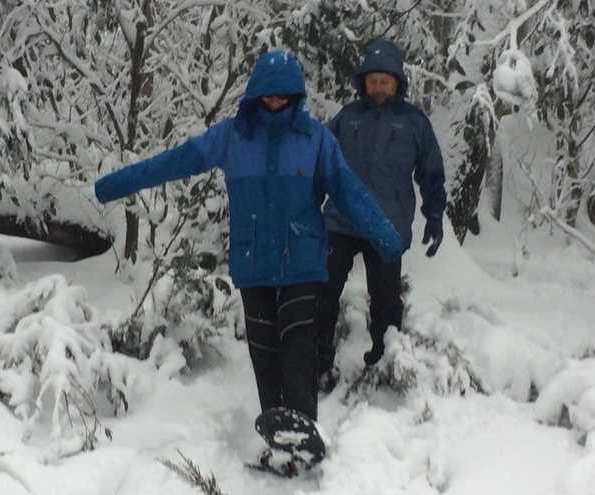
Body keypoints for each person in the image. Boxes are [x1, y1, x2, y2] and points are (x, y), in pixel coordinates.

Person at [95, 49, 402, 429]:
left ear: (295, 96)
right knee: (264, 353)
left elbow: (349, 192)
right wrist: (116, 184)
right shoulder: (233, 137)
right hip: (253, 261)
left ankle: (302, 428)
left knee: (299, 348)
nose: (275, 103)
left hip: (302, 262)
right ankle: (275, 428)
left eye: (283, 96)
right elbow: (173, 162)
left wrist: (385, 236)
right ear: (256, 94)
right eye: (268, 95)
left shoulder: (315, 139)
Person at [317, 38, 447, 392]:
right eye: (373, 81)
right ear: (364, 83)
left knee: (386, 299)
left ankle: (383, 364)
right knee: (323, 291)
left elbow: (431, 171)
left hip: (386, 225)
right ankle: (318, 365)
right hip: (340, 222)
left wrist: (434, 215)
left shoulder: (414, 122)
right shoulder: (347, 118)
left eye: (385, 82)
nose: (378, 88)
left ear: (397, 83)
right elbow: (321, 164)